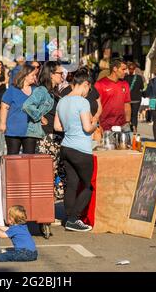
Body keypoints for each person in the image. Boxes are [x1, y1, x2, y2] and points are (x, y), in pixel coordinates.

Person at [54, 68, 98, 232]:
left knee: (71, 184)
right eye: (89, 88)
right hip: (81, 149)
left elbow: (57, 126)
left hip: (66, 146)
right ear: (85, 84)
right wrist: (95, 124)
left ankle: (68, 217)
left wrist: (71, 126)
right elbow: (87, 128)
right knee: (87, 186)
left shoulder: (62, 101)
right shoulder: (82, 102)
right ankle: (74, 219)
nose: (88, 92)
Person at [26, 61, 65, 199]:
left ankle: (51, 209)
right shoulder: (42, 90)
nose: (63, 76)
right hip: (46, 138)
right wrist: (40, 117)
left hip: (56, 138)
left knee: (56, 174)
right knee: (47, 175)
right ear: (51, 74)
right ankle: (45, 213)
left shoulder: (54, 92)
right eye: (60, 73)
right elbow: (28, 106)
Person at [0, 64, 36, 155]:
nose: (34, 77)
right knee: (13, 158)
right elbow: (4, 107)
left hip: (30, 132)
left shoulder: (36, 90)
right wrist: (2, 123)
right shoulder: (12, 90)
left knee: (29, 159)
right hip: (13, 131)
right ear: (25, 75)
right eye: (32, 75)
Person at [94, 59, 131, 132]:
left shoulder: (125, 84)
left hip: (122, 126)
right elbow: (95, 106)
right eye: (123, 69)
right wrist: (97, 124)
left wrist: (128, 122)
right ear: (115, 69)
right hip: (105, 126)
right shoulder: (100, 84)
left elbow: (127, 104)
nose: (126, 72)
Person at [124, 62, 144, 132]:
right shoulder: (139, 78)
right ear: (135, 69)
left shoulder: (125, 78)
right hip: (137, 99)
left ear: (128, 69)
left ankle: (129, 127)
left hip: (128, 99)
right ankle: (134, 128)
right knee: (134, 115)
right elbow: (142, 87)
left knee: (127, 115)